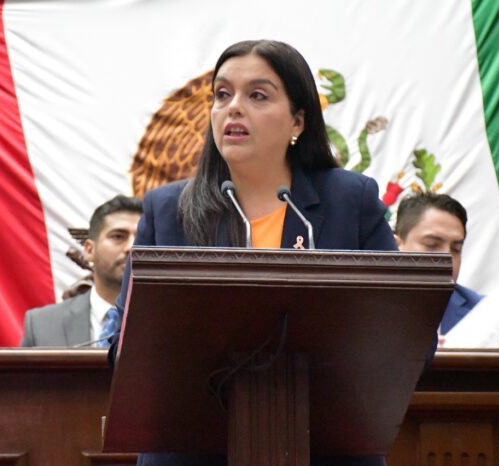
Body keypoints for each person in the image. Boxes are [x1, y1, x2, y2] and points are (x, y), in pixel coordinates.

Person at [110, 39, 397, 466]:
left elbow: (405, 327)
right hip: (193, 449)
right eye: (222, 95)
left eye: (257, 95)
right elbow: (124, 342)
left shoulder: (349, 201)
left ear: (298, 120)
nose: (233, 108)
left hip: (326, 445)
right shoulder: (168, 211)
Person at [394, 192, 499, 349]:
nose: (447, 257)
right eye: (432, 245)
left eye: (456, 248)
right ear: (396, 246)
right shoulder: (371, 308)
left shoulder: (489, 316)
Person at [20, 195, 142, 347]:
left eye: (141, 238)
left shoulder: (166, 321)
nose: (131, 247)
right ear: (89, 250)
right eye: (118, 236)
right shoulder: (42, 324)